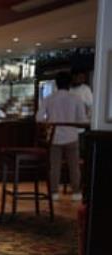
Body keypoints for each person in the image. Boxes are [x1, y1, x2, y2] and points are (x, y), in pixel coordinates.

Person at [36, 71, 87, 201]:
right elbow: (83, 120)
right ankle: (76, 193)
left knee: (54, 166)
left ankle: (54, 193)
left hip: (55, 137)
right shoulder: (76, 99)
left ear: (56, 84)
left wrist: (49, 123)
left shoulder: (49, 98)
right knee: (74, 166)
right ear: (69, 84)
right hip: (72, 136)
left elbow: (39, 118)